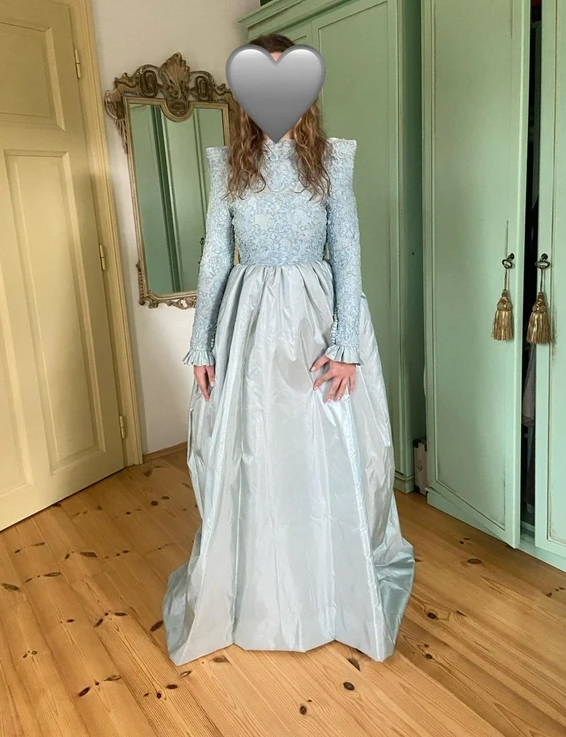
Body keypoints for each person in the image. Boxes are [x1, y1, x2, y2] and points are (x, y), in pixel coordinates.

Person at [162, 33, 414, 666]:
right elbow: (216, 257)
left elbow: (346, 250)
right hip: (248, 324)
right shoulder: (228, 165)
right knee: (255, 452)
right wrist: (200, 343)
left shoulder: (331, 160)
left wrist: (347, 343)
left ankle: (331, 593)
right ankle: (259, 593)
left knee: (324, 452)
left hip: (317, 321)